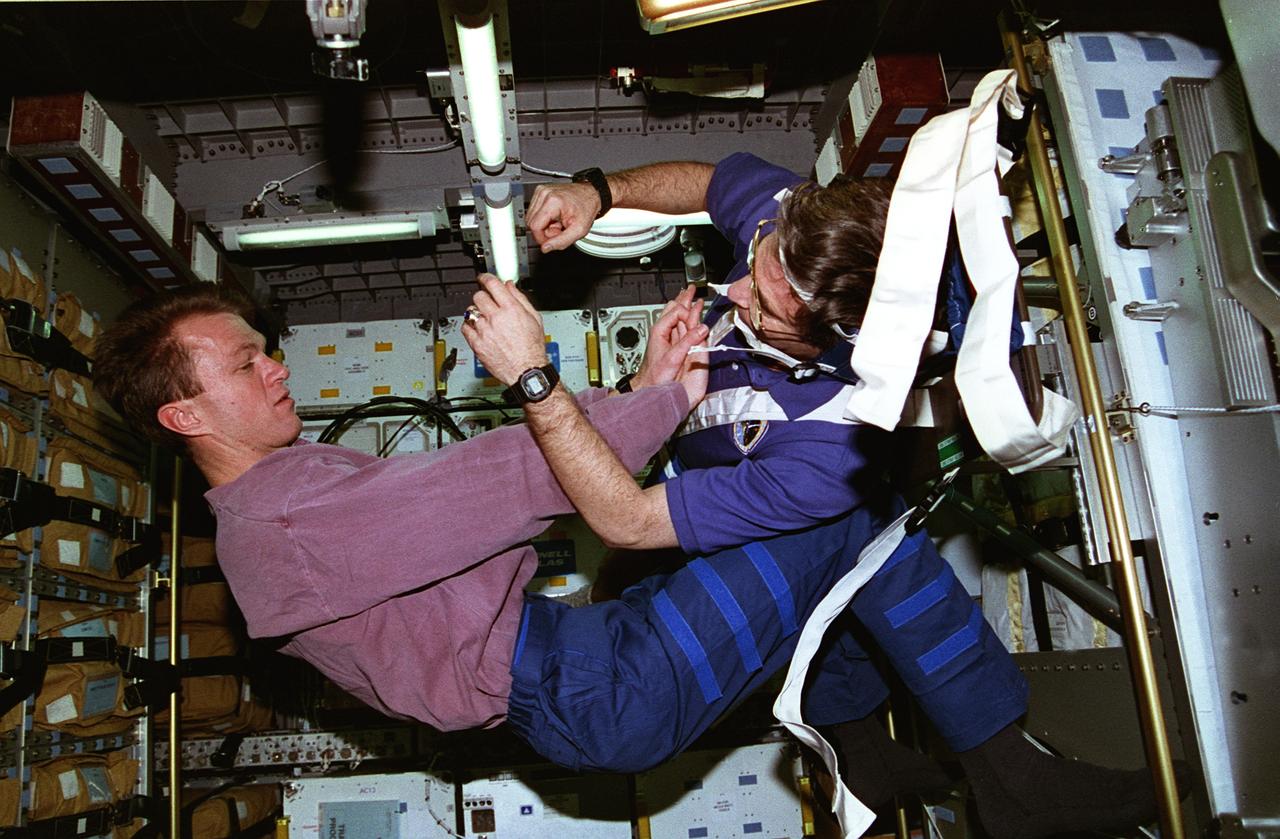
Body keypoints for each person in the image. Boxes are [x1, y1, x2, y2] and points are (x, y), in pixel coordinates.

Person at [523, 153, 1178, 838]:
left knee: (861, 528)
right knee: (855, 536)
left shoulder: (828, 445)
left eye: (767, 304)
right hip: (670, 516)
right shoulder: (800, 229)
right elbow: (716, 182)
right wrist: (600, 190)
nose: (736, 285)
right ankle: (984, 766)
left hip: (671, 525)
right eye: (757, 255)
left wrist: (539, 377)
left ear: (831, 342)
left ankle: (937, 762)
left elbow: (627, 521)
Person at [90, 283, 914, 801]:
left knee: (807, 602)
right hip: (601, 684)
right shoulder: (282, 528)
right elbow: (502, 484)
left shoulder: (281, 492)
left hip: (585, 657)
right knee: (844, 504)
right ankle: (1000, 759)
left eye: (265, 351)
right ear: (185, 416)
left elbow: (480, 494)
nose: (276, 368)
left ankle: (855, 730)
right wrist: (660, 401)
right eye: (245, 365)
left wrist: (639, 391)